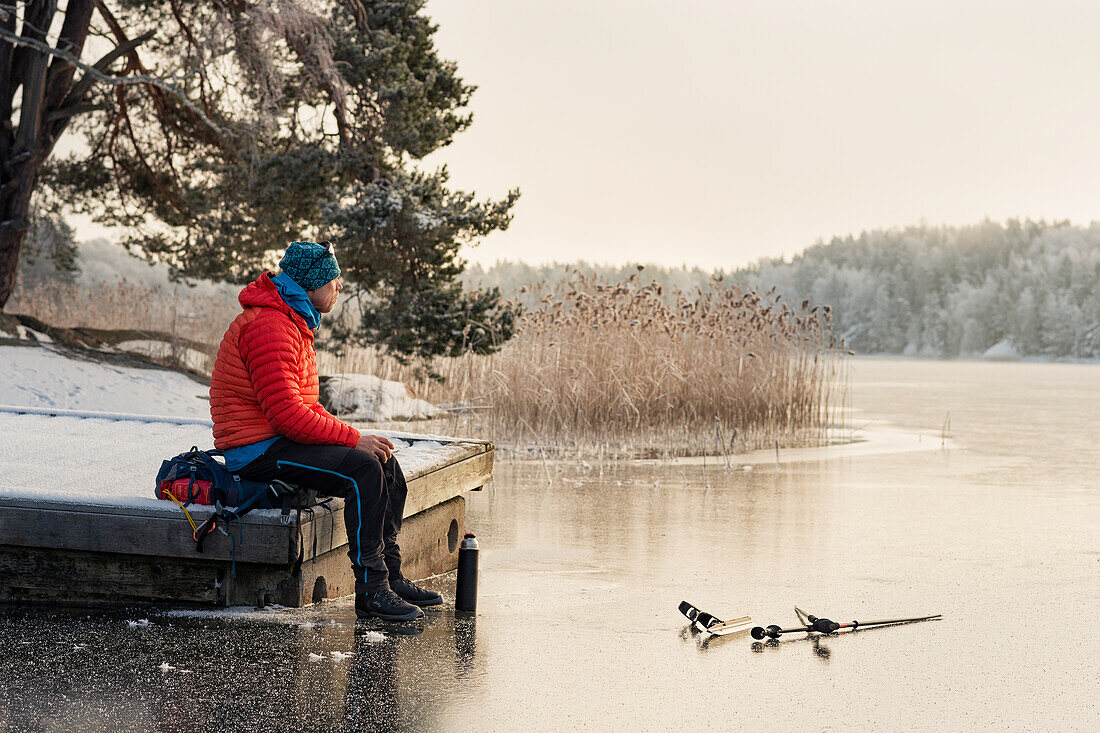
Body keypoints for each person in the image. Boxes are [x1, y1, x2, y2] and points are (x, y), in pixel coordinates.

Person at [208, 240, 442, 621]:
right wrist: (353, 440)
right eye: (335, 278)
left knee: (384, 465)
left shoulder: (291, 322)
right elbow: (287, 415)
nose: (340, 286)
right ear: (312, 284)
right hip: (257, 451)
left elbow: (306, 407)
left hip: (278, 440)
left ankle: (391, 576)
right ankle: (371, 590)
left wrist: (358, 439)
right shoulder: (270, 326)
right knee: (362, 471)